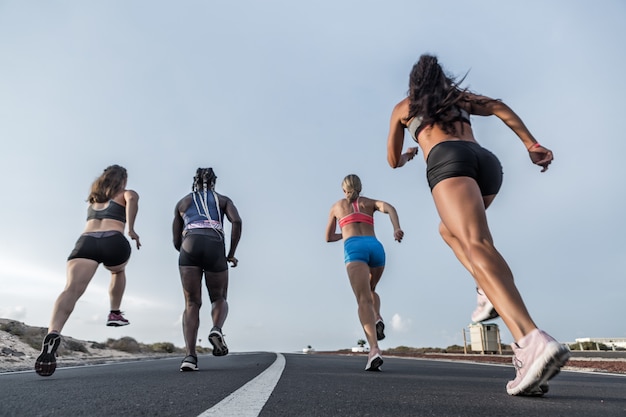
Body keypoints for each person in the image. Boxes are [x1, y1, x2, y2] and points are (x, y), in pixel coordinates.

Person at [386, 54, 570, 395]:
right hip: (485, 164)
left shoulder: (404, 107)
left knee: (476, 243)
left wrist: (409, 154)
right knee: (451, 231)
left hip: (448, 162)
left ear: (414, 81)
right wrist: (532, 144)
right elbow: (499, 107)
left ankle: (533, 339)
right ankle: (488, 291)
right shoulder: (457, 98)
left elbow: (392, 159)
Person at [35, 165, 141, 377]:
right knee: (117, 271)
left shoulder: (94, 199)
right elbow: (131, 202)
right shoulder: (127, 193)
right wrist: (130, 229)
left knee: (71, 290)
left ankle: (54, 332)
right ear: (123, 179)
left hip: (86, 242)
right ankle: (115, 312)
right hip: (114, 239)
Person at [326, 174, 404, 372]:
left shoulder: (337, 207)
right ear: (360, 188)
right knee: (371, 289)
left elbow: (328, 237)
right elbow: (390, 208)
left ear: (344, 190)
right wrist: (397, 229)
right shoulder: (369, 203)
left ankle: (374, 350)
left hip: (355, 249)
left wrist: (345, 232)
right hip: (375, 247)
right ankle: (377, 316)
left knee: (362, 300)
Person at [173, 168, 242, 371]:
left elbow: (176, 240)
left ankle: (190, 357)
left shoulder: (183, 202)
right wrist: (230, 253)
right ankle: (216, 328)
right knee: (219, 298)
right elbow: (236, 221)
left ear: (194, 181)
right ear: (214, 182)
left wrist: (187, 253)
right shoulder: (223, 200)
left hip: (189, 246)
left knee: (191, 303)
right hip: (214, 243)